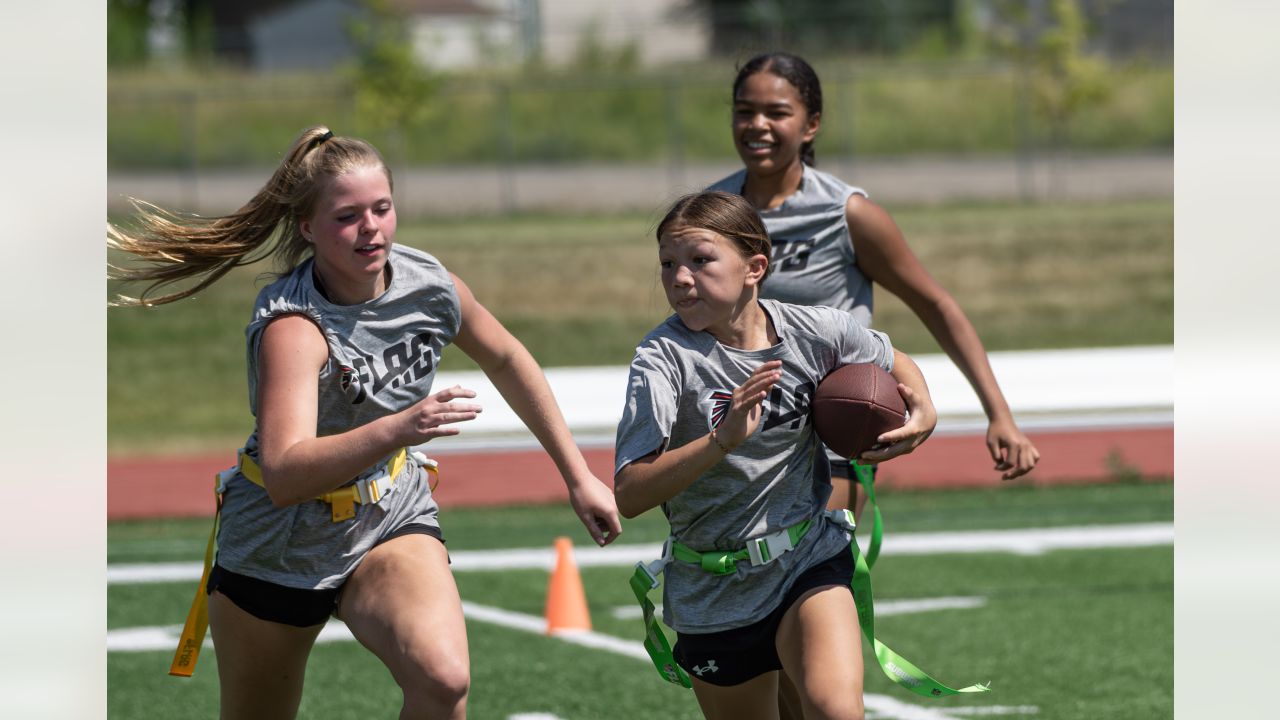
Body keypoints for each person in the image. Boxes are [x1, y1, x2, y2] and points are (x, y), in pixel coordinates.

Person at [108, 126, 622, 720]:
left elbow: (508, 358)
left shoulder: (429, 286)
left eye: (382, 208)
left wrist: (577, 475)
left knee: (444, 680)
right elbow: (285, 473)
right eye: (347, 216)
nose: (371, 227)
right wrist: (399, 427)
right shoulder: (294, 327)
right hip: (279, 540)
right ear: (307, 228)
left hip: (388, 513)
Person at [614, 191, 938, 719]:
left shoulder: (814, 330)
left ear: (754, 267)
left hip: (805, 555)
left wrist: (924, 411)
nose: (679, 277)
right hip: (711, 581)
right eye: (668, 263)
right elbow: (630, 493)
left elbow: (891, 357)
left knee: (837, 712)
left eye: (700, 259)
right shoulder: (662, 359)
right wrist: (722, 440)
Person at [707, 52, 1041, 528]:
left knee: (806, 567)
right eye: (745, 110)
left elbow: (937, 304)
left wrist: (999, 414)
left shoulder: (848, 214)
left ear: (811, 125)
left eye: (776, 112)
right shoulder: (714, 214)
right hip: (744, 431)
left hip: (830, 428)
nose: (757, 124)